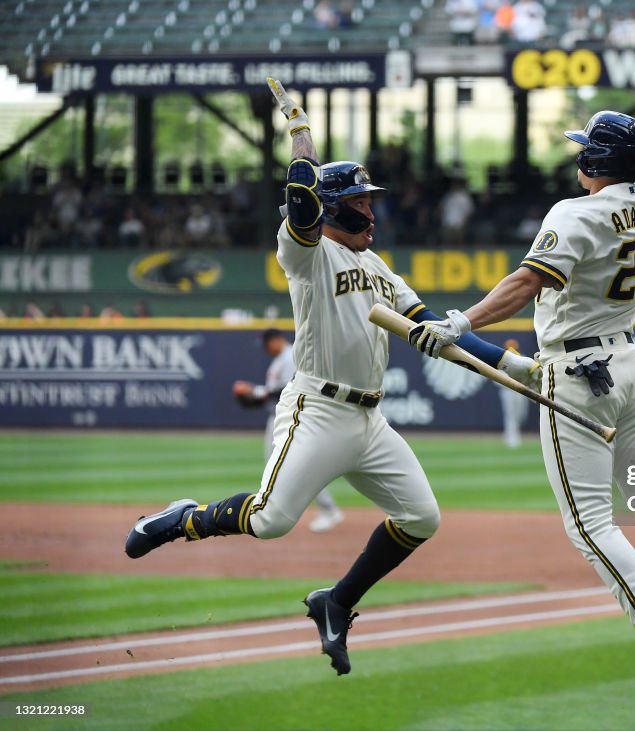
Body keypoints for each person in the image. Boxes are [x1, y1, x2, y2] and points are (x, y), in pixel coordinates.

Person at [124, 77, 540, 678]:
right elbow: (300, 200)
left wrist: (520, 368)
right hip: (317, 408)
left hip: (370, 420)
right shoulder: (308, 253)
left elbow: (442, 334)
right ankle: (180, 519)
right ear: (335, 206)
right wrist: (300, 133)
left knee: (422, 517)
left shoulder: (379, 268)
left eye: (371, 200)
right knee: (271, 521)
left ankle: (336, 601)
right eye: (362, 201)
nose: (372, 210)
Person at [406, 11, 635, 721]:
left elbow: (525, 282)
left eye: (583, 151)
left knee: (590, 521)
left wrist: (461, 322)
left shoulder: (577, 212)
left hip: (576, 375)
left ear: (594, 165)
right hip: (629, 365)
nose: (576, 159)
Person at [233, 328, 345, 533]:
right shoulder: (280, 359)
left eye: (266, 344)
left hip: (291, 419)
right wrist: (252, 396)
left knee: (296, 466)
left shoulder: (291, 356)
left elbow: (289, 389)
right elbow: (271, 396)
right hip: (278, 419)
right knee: (280, 466)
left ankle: (327, 509)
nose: (265, 350)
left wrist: (254, 391)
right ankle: (279, 510)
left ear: (276, 340)